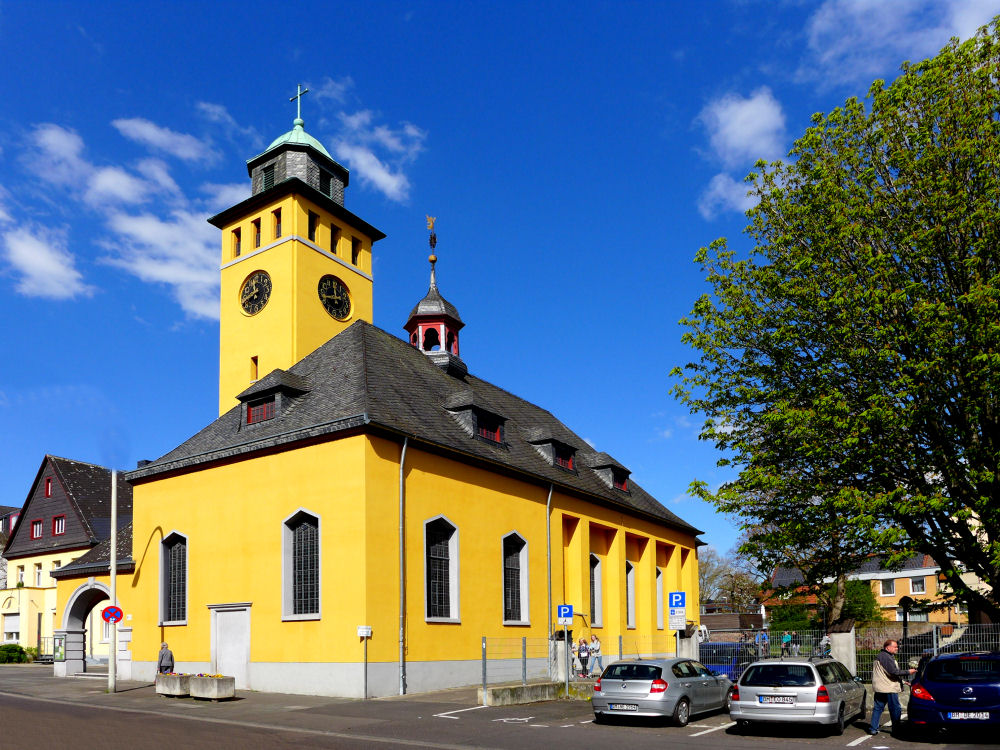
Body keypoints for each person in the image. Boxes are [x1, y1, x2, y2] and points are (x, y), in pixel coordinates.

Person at [867, 639, 916, 736]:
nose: (897, 648)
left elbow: (885, 674)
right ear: (887, 648)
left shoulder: (881, 656)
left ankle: (873, 728)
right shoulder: (886, 657)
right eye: (895, 647)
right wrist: (908, 672)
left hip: (880, 687)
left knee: (878, 708)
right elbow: (893, 672)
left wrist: (902, 681)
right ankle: (897, 729)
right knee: (895, 709)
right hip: (889, 687)